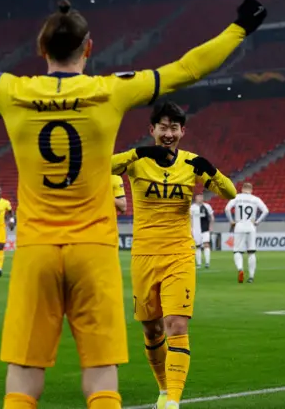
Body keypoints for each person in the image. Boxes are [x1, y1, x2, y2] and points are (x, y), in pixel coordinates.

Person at [0, 0, 267, 409]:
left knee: (23, 381)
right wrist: (239, 27)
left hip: (36, 250)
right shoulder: (110, 90)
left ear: (41, 50)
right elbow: (189, 68)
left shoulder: (11, 90)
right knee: (101, 379)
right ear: (89, 48)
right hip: (93, 251)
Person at [111, 101, 237, 409]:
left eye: (174, 128)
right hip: (143, 255)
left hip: (179, 253)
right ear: (152, 130)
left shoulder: (191, 164)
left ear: (183, 131)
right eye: (163, 127)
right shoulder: (136, 161)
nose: (169, 134)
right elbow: (96, 167)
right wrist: (138, 153)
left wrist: (212, 171)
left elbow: (231, 193)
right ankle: (164, 390)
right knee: (151, 329)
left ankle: (173, 402)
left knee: (177, 325)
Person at [224, 182, 269, 283]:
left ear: (242, 189)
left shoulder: (236, 197)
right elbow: (266, 211)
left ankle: (240, 269)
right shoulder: (255, 199)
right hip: (251, 226)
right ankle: (251, 277)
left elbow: (227, 209)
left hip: (239, 225)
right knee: (251, 252)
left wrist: (231, 221)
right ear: (251, 190)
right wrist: (257, 222)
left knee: (237, 251)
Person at [190, 193, 214, 269]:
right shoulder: (192, 207)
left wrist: (211, 226)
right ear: (196, 198)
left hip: (205, 229)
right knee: (197, 246)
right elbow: (190, 219)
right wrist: (191, 228)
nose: (200, 198)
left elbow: (212, 217)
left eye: (201, 196)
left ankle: (207, 263)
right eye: (199, 196)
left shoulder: (207, 206)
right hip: (196, 230)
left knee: (206, 244)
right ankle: (199, 264)